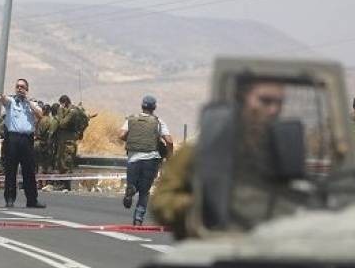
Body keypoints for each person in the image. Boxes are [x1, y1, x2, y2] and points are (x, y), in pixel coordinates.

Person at [151, 80, 303, 238]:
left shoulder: (283, 150)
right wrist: (203, 203)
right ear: (242, 100)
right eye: (265, 101)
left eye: (279, 103)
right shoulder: (201, 149)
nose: (273, 110)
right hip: (213, 241)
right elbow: (161, 202)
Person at [120, 95, 173, 226]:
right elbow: (169, 141)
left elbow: (121, 135)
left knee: (132, 184)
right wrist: (169, 156)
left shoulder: (131, 119)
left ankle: (131, 190)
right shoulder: (158, 122)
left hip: (133, 158)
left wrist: (133, 139)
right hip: (151, 160)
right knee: (144, 192)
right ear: (154, 107)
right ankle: (138, 219)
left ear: (142, 106)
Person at [0, 78, 45, 208]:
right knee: (11, 170)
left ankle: (32, 200)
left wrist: (28, 102)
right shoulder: (11, 102)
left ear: (27, 89)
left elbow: (40, 114)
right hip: (13, 139)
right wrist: (1, 97)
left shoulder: (32, 103)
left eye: (22, 87)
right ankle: (9, 199)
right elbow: (3, 99)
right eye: (17, 86)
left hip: (27, 139)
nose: (19, 89)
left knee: (29, 170)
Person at [55, 95, 81, 190]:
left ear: (65, 102)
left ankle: (66, 185)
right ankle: (63, 184)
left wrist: (60, 111)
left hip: (68, 142)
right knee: (62, 162)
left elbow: (62, 123)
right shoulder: (70, 111)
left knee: (66, 163)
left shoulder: (72, 112)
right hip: (65, 141)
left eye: (61, 104)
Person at [34, 103, 55, 186]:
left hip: (38, 143)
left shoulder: (40, 120)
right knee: (47, 164)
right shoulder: (50, 120)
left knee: (40, 164)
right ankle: (47, 183)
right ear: (49, 111)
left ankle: (39, 183)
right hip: (46, 144)